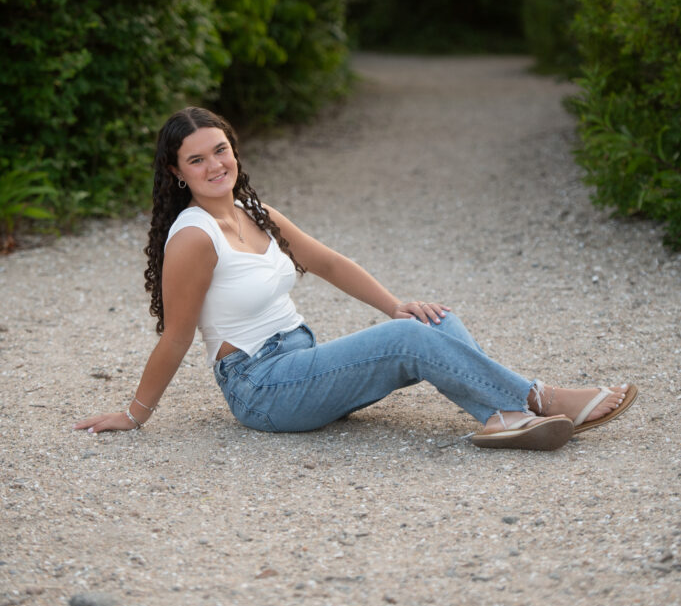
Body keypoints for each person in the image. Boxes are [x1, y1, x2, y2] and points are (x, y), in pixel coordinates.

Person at [75, 107, 638, 450]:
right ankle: (534, 400)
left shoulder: (254, 211)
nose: (214, 165)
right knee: (415, 338)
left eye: (220, 150)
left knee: (434, 319)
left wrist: (396, 304)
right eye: (196, 160)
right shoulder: (194, 236)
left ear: (234, 150)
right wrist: (134, 413)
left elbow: (329, 262)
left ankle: (503, 418)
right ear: (176, 172)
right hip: (262, 389)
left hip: (300, 362)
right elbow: (176, 335)